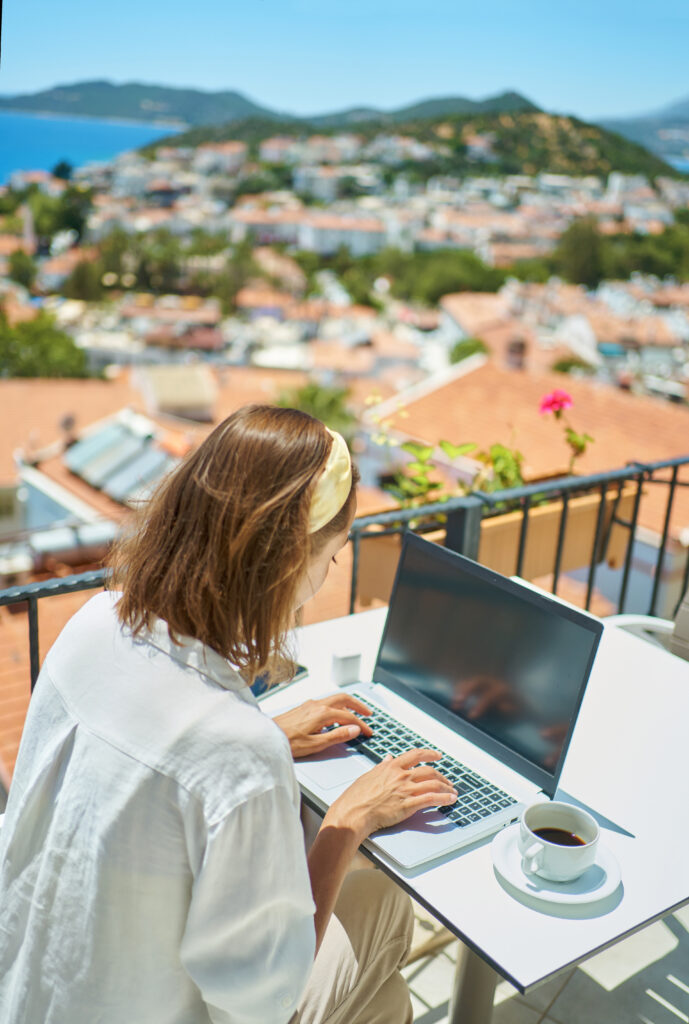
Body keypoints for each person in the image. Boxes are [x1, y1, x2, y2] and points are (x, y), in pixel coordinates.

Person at [0, 405, 457, 1024]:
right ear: (293, 563)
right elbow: (265, 999)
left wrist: (263, 736)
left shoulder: (94, 623)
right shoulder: (238, 751)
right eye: (332, 557)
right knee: (380, 900)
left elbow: (155, 753)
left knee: (387, 1003)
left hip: (30, 994)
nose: (327, 576)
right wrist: (348, 823)